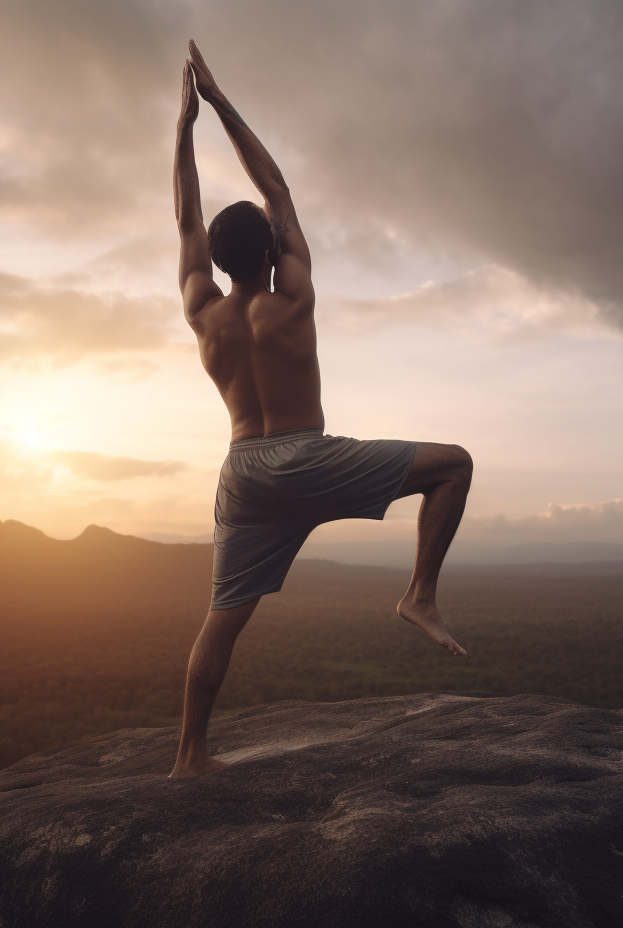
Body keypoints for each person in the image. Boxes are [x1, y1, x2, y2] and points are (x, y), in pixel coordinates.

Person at [170, 41, 473, 777]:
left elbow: (185, 221)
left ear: (217, 260)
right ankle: (419, 597)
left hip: (243, 472)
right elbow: (274, 185)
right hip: (308, 456)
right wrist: (220, 103)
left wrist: (182, 130)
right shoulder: (294, 297)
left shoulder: (202, 309)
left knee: (222, 621)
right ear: (273, 247)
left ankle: (188, 754)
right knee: (454, 466)